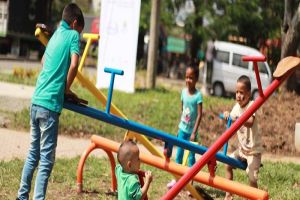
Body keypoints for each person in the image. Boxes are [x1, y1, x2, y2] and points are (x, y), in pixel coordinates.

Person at [17, 3, 85, 200]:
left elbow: (44, 62)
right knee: (46, 160)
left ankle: (22, 196)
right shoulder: (72, 35)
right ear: (74, 23)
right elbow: (74, 64)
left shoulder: (55, 35)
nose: (79, 36)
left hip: (37, 100)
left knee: (33, 154)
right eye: (80, 32)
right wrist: (65, 88)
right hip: (49, 107)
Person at [223, 75, 263, 200]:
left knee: (251, 176)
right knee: (227, 164)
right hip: (241, 151)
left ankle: (254, 196)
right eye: (237, 92)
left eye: (242, 92)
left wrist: (239, 119)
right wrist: (227, 116)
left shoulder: (252, 105)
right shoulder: (236, 107)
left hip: (253, 151)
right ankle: (229, 195)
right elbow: (231, 124)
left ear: (249, 94)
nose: (238, 95)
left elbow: (250, 122)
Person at [167, 64, 203, 189]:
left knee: (191, 158)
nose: (188, 80)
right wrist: (179, 128)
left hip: (192, 133)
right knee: (179, 155)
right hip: (182, 130)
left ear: (196, 79)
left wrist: (194, 132)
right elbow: (182, 110)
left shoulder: (198, 96)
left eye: (191, 78)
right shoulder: (183, 92)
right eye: (187, 77)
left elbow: (199, 115)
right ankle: (176, 179)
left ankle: (190, 183)